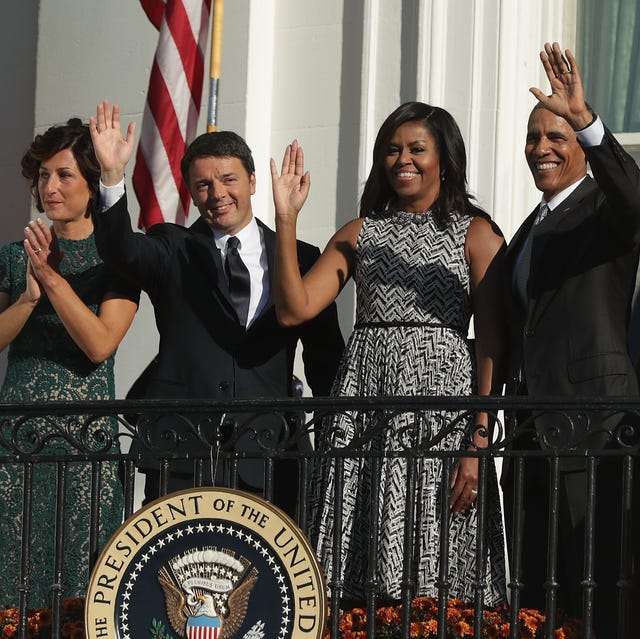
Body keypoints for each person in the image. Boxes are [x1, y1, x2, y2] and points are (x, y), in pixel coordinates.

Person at [271, 102, 507, 604]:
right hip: (364, 402)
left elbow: (491, 342)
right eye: (393, 149)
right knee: (354, 550)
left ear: (445, 160)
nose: (404, 159)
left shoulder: (477, 234)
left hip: (441, 409)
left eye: (418, 149)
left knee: (433, 545)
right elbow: (294, 309)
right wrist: (287, 220)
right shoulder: (360, 233)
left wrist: (479, 439)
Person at [88, 101, 344, 514]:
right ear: (191, 191)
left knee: (267, 575)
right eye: (203, 185)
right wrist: (113, 176)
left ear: (253, 181)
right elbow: (122, 253)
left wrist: (338, 437)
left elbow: (325, 358)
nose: (217, 194)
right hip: (181, 451)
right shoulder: (173, 248)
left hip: (271, 454)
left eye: (229, 179)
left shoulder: (301, 257)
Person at [502, 43, 640, 636]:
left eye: (555, 137)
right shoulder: (527, 227)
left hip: (596, 431)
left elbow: (637, 198)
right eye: (533, 137)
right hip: (533, 431)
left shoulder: (604, 209)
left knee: (597, 584)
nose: (541, 149)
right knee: (537, 593)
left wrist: (587, 123)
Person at [0, 119, 139, 606]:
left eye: (64, 175)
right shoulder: (14, 258)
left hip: (85, 448)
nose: (49, 187)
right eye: (42, 175)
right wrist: (25, 298)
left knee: (81, 587)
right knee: (12, 576)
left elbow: (100, 344)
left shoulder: (117, 260)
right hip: (16, 445)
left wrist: (51, 282)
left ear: (92, 183)